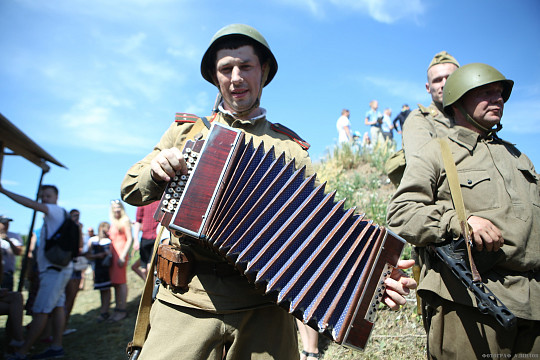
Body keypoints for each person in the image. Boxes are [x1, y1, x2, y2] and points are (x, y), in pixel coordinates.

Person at [120, 23, 416, 360]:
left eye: (245, 66)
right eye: (225, 69)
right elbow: (131, 187)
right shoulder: (187, 131)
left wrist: (375, 281)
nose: (235, 77)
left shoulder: (290, 149)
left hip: (263, 308)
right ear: (215, 77)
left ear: (264, 71)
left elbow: (321, 236)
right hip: (186, 300)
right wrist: (157, 174)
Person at [387, 63, 540, 358]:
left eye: (500, 93)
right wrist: (461, 221)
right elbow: (402, 213)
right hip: (470, 301)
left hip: (533, 306)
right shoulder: (437, 151)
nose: (497, 99)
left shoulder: (519, 156)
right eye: (486, 92)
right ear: (457, 101)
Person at [0, 184, 73, 360]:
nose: (44, 200)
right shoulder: (57, 215)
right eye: (42, 197)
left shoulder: (54, 211)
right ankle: (56, 346)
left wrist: (4, 191)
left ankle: (21, 351)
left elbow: (29, 204)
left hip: (53, 271)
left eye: (48, 196)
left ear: (56, 197)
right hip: (58, 269)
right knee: (57, 308)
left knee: (41, 310)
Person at [402, 51, 460, 163]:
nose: (444, 84)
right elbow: (419, 169)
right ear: (428, 88)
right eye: (437, 80)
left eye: (449, 78)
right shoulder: (421, 120)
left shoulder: (476, 120)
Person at [108, 199, 133, 322]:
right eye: (114, 208)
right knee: (115, 283)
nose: (116, 209)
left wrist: (123, 255)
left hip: (121, 254)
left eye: (118, 207)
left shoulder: (125, 220)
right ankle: (117, 308)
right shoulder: (113, 222)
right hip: (113, 255)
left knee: (121, 282)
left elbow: (129, 239)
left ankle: (122, 309)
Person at [62, 209, 84, 336]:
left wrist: (79, 229)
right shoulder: (65, 227)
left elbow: (80, 245)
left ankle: (64, 325)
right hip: (65, 265)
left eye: (78, 215)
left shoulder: (78, 228)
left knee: (71, 297)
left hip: (74, 266)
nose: (76, 217)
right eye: (74, 215)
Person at [86, 221, 112, 322]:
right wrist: (98, 256)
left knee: (106, 290)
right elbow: (88, 255)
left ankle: (105, 311)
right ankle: (104, 310)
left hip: (107, 269)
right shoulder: (93, 240)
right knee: (102, 290)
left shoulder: (109, 241)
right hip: (97, 268)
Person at [132, 202, 160, 281]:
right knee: (143, 270)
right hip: (145, 238)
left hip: (156, 238)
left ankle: (153, 290)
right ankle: (149, 288)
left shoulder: (160, 200)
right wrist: (136, 240)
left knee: (150, 266)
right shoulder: (143, 202)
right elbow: (138, 221)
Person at [0, 215, 23, 291]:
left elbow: (19, 252)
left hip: (7, 274)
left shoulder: (14, 236)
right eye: (4, 223)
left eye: (7, 223)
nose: (6, 225)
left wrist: (8, 240)